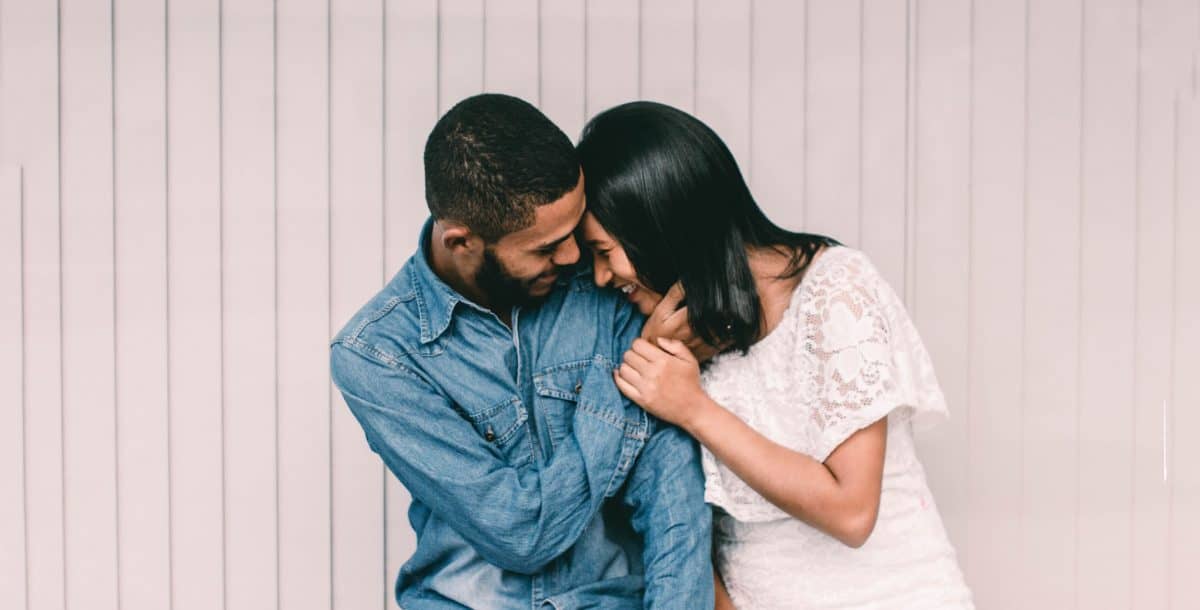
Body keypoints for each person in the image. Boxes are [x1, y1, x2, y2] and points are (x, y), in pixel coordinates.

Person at [576, 101, 974, 609]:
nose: (600, 277)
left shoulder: (834, 289)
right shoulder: (668, 339)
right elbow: (671, 528)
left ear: (659, 227)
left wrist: (693, 408)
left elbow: (851, 512)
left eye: (604, 252)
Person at [329, 94, 713, 609]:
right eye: (545, 247)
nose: (573, 256)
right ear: (462, 243)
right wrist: (634, 369)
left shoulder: (602, 284)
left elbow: (670, 494)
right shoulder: (377, 356)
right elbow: (521, 535)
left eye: (574, 231)